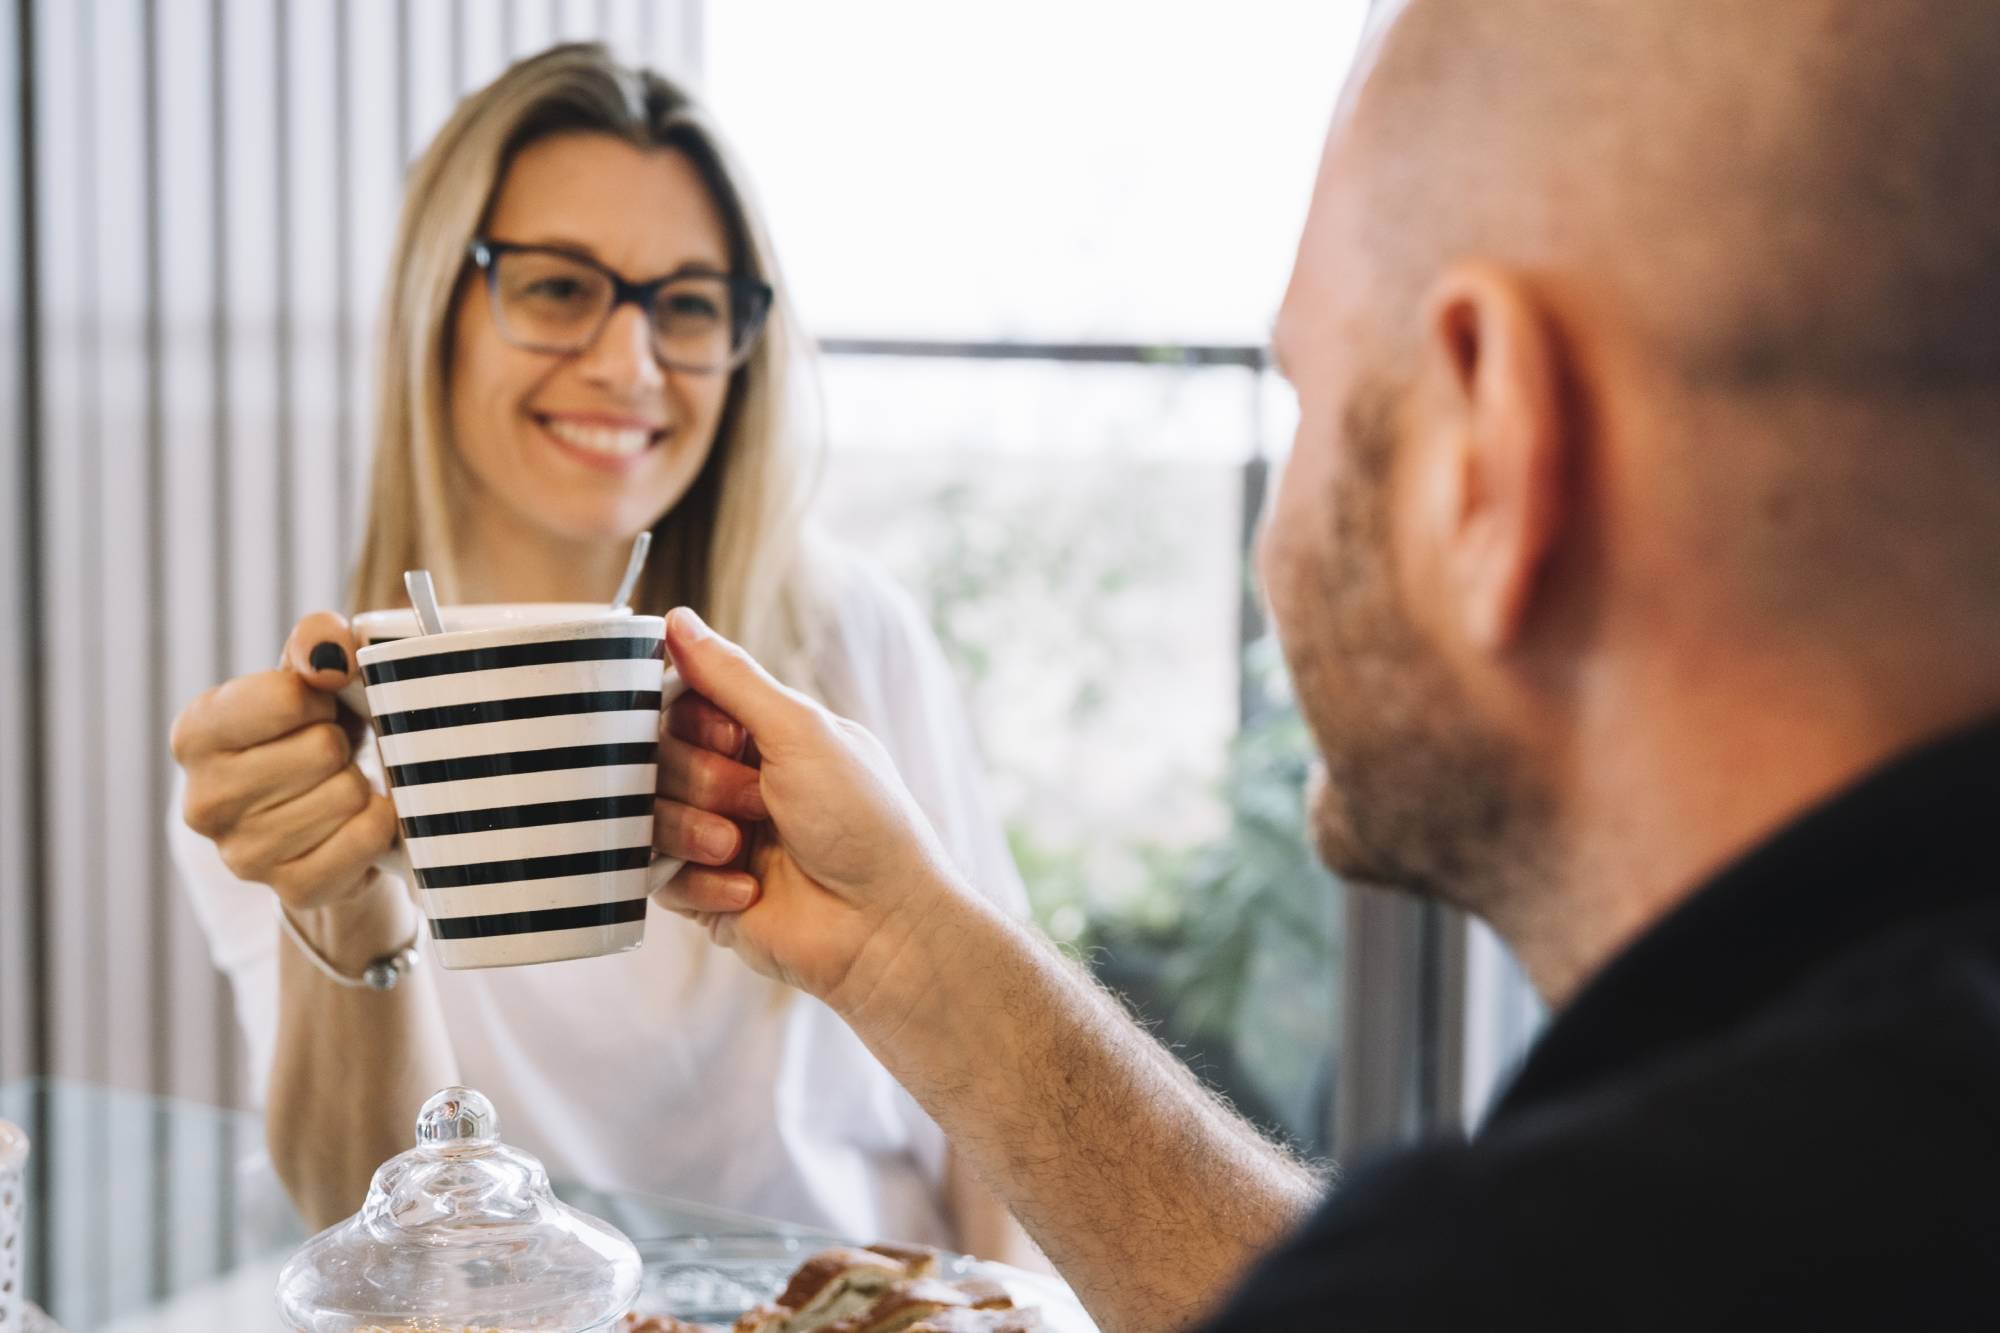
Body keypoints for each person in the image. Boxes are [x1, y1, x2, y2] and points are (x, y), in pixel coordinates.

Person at [647, 1, 2000, 1329]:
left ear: (1486, 454)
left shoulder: (1586, 1255)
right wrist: (902, 944)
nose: (1267, 549)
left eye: (1307, 398)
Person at [166, 43, 1037, 1262]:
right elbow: (363, 1225)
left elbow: (999, 1115)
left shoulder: (843, 640)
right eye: (558, 288)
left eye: (688, 305)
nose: (630, 364)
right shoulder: (297, 751)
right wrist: (345, 906)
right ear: (437, 310)